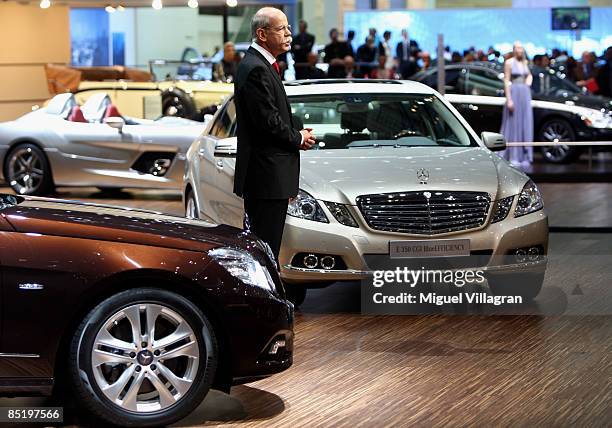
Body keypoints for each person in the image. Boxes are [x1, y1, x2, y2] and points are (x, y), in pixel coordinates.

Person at [233, 7, 316, 261]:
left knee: (266, 249)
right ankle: (265, 301)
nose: (289, 34)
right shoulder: (256, 68)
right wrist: (298, 137)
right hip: (266, 177)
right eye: (281, 29)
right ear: (262, 34)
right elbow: (268, 122)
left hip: (270, 177)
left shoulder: (261, 65)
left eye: (288, 28)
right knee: (265, 252)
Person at [500, 41, 533, 169]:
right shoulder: (509, 63)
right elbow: (506, 80)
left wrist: (528, 82)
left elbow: (529, 74)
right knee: (514, 123)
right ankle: (513, 155)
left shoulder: (524, 63)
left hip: (524, 94)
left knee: (525, 122)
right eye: (518, 48)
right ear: (514, 49)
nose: (520, 50)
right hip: (514, 93)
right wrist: (509, 99)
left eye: (521, 48)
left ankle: (524, 154)